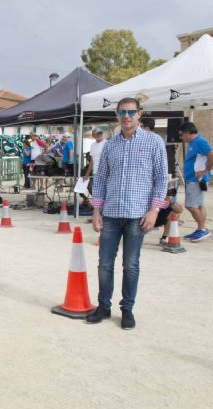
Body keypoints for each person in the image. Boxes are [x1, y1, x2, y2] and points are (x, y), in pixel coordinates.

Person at [87, 97, 168, 330]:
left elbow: (162, 178)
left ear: (139, 114)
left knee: (131, 265)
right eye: (122, 112)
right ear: (116, 115)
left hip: (137, 214)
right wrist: (96, 211)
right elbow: (100, 178)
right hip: (110, 213)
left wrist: (154, 210)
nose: (126, 116)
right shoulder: (110, 145)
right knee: (104, 263)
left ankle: (127, 309)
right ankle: (103, 307)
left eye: (131, 112)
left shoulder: (154, 142)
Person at [180, 122, 213, 242]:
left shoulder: (200, 141)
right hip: (196, 179)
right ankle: (200, 229)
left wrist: (205, 171)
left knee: (191, 205)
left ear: (187, 133)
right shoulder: (194, 142)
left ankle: (202, 229)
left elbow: (212, 155)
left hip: (196, 180)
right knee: (199, 205)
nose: (181, 138)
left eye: (182, 135)